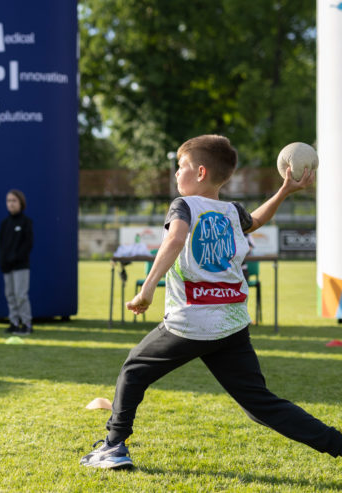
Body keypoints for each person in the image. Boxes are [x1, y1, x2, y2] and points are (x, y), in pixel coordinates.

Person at [80, 135, 342, 469]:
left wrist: (147, 287)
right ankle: (339, 444)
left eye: (181, 167)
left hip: (192, 321)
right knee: (260, 404)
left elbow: (175, 237)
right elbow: (256, 221)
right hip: (232, 323)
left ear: (200, 172)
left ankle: (114, 446)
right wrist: (285, 191)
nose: (177, 174)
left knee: (133, 369)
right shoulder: (231, 211)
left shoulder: (184, 205)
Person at [0, 189, 33, 336]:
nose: (11, 204)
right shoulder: (5, 223)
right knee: (10, 295)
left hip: (20, 266)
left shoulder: (26, 222)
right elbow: (1, 245)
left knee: (20, 295)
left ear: (20, 203)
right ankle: (14, 322)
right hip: (7, 267)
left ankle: (26, 323)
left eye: (14, 201)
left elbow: (28, 244)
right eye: (8, 201)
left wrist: (16, 257)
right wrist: (3, 261)